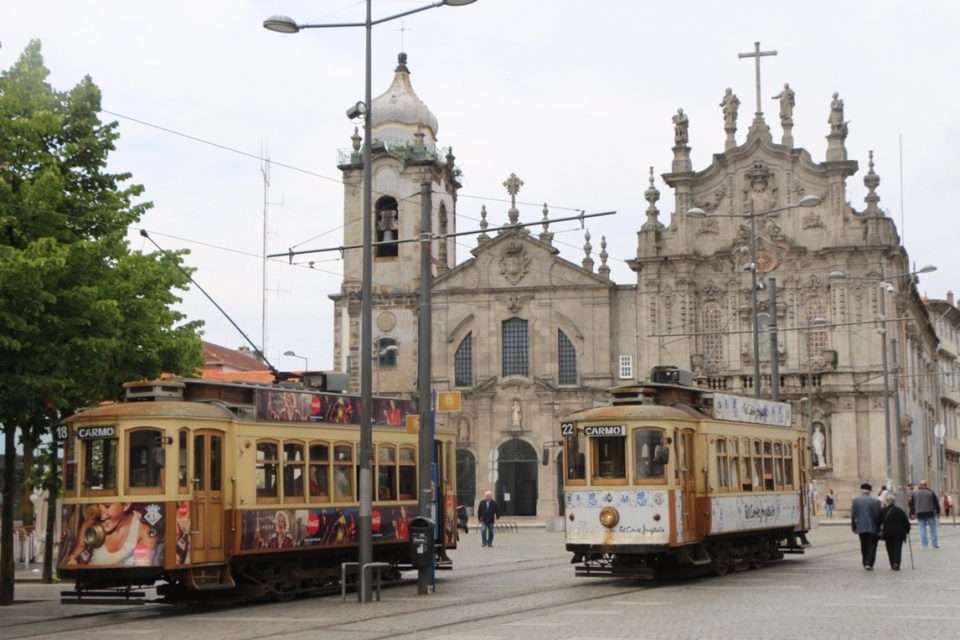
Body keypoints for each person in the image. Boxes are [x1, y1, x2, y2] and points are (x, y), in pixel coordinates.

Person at [66, 502, 158, 567]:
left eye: (107, 505)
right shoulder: (89, 525)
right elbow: (77, 552)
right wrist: (72, 561)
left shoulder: (143, 531)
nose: (100, 512)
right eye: (99, 505)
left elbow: (141, 568)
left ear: (125, 505)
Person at [850, 482, 881, 570]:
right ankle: (869, 563)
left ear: (862, 491)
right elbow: (877, 515)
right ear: (870, 491)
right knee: (872, 545)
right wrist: (878, 527)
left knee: (863, 545)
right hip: (873, 527)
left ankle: (865, 562)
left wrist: (853, 527)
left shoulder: (855, 500)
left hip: (861, 527)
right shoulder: (876, 501)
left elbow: (853, 515)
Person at [878, 494, 910, 570]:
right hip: (899, 533)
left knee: (890, 549)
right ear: (894, 502)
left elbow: (878, 522)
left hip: (888, 533)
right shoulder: (900, 511)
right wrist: (907, 530)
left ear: (887, 501)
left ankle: (892, 563)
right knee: (898, 549)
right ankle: (896, 563)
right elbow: (906, 522)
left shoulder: (883, 511)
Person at [913, 480, 941, 549]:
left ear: (920, 485)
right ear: (926, 485)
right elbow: (936, 503)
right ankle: (934, 544)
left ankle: (925, 545)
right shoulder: (930, 493)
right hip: (930, 513)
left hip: (920, 513)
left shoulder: (915, 493)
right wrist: (938, 512)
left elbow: (912, 504)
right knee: (933, 529)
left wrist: (913, 513)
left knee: (922, 529)